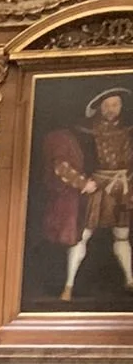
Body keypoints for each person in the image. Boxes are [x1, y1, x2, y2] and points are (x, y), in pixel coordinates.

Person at [45, 88, 133, 300]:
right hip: (97, 186)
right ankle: (68, 286)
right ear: (100, 108)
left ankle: (130, 280)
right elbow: (69, 161)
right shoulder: (85, 133)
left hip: (123, 187)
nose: (112, 110)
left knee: (122, 235)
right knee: (82, 235)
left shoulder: (128, 131)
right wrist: (82, 182)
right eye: (107, 105)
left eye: (116, 105)